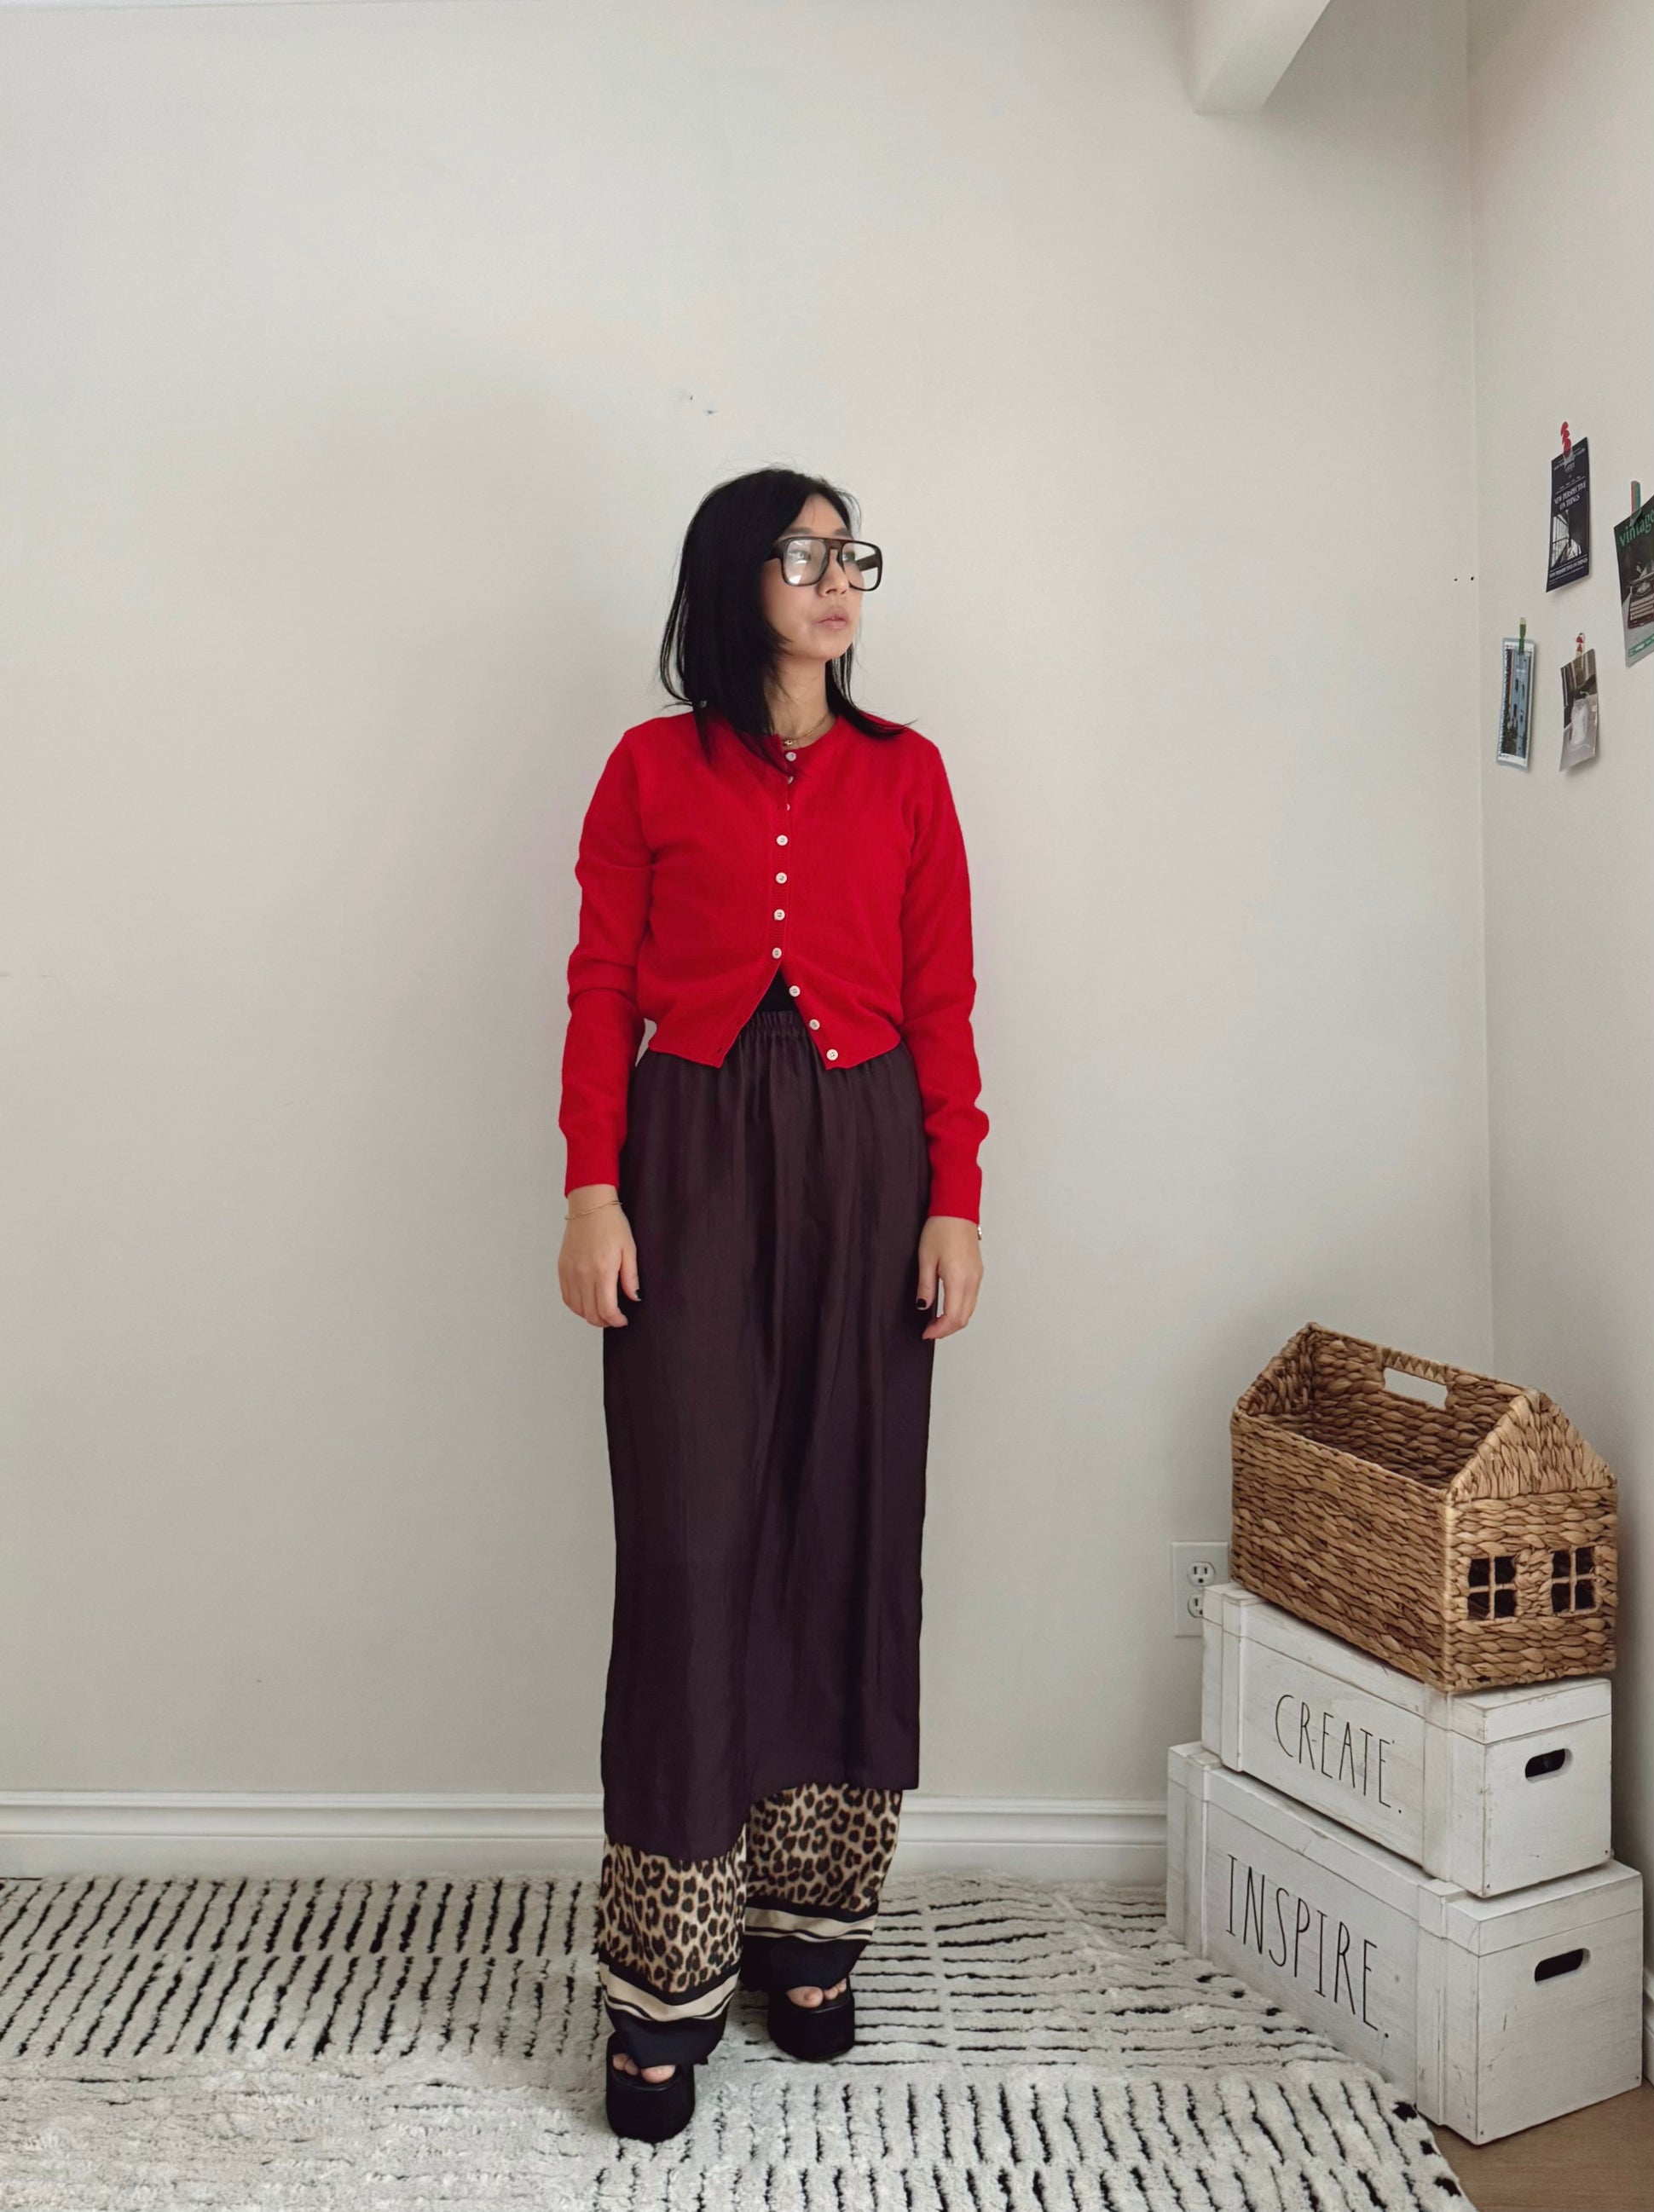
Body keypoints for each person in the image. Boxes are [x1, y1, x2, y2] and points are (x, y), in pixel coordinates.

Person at [557, 467, 988, 2143]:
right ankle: (664, 1976)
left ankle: (811, 1931)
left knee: (848, 1524)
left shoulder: (908, 773)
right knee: (690, 1544)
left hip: (871, 1160)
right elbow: (602, 980)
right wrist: (592, 1185)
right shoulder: (646, 767)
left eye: (850, 553)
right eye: (805, 553)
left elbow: (943, 997)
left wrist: (955, 1197)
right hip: (687, 1160)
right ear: (735, 576)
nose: (837, 578)